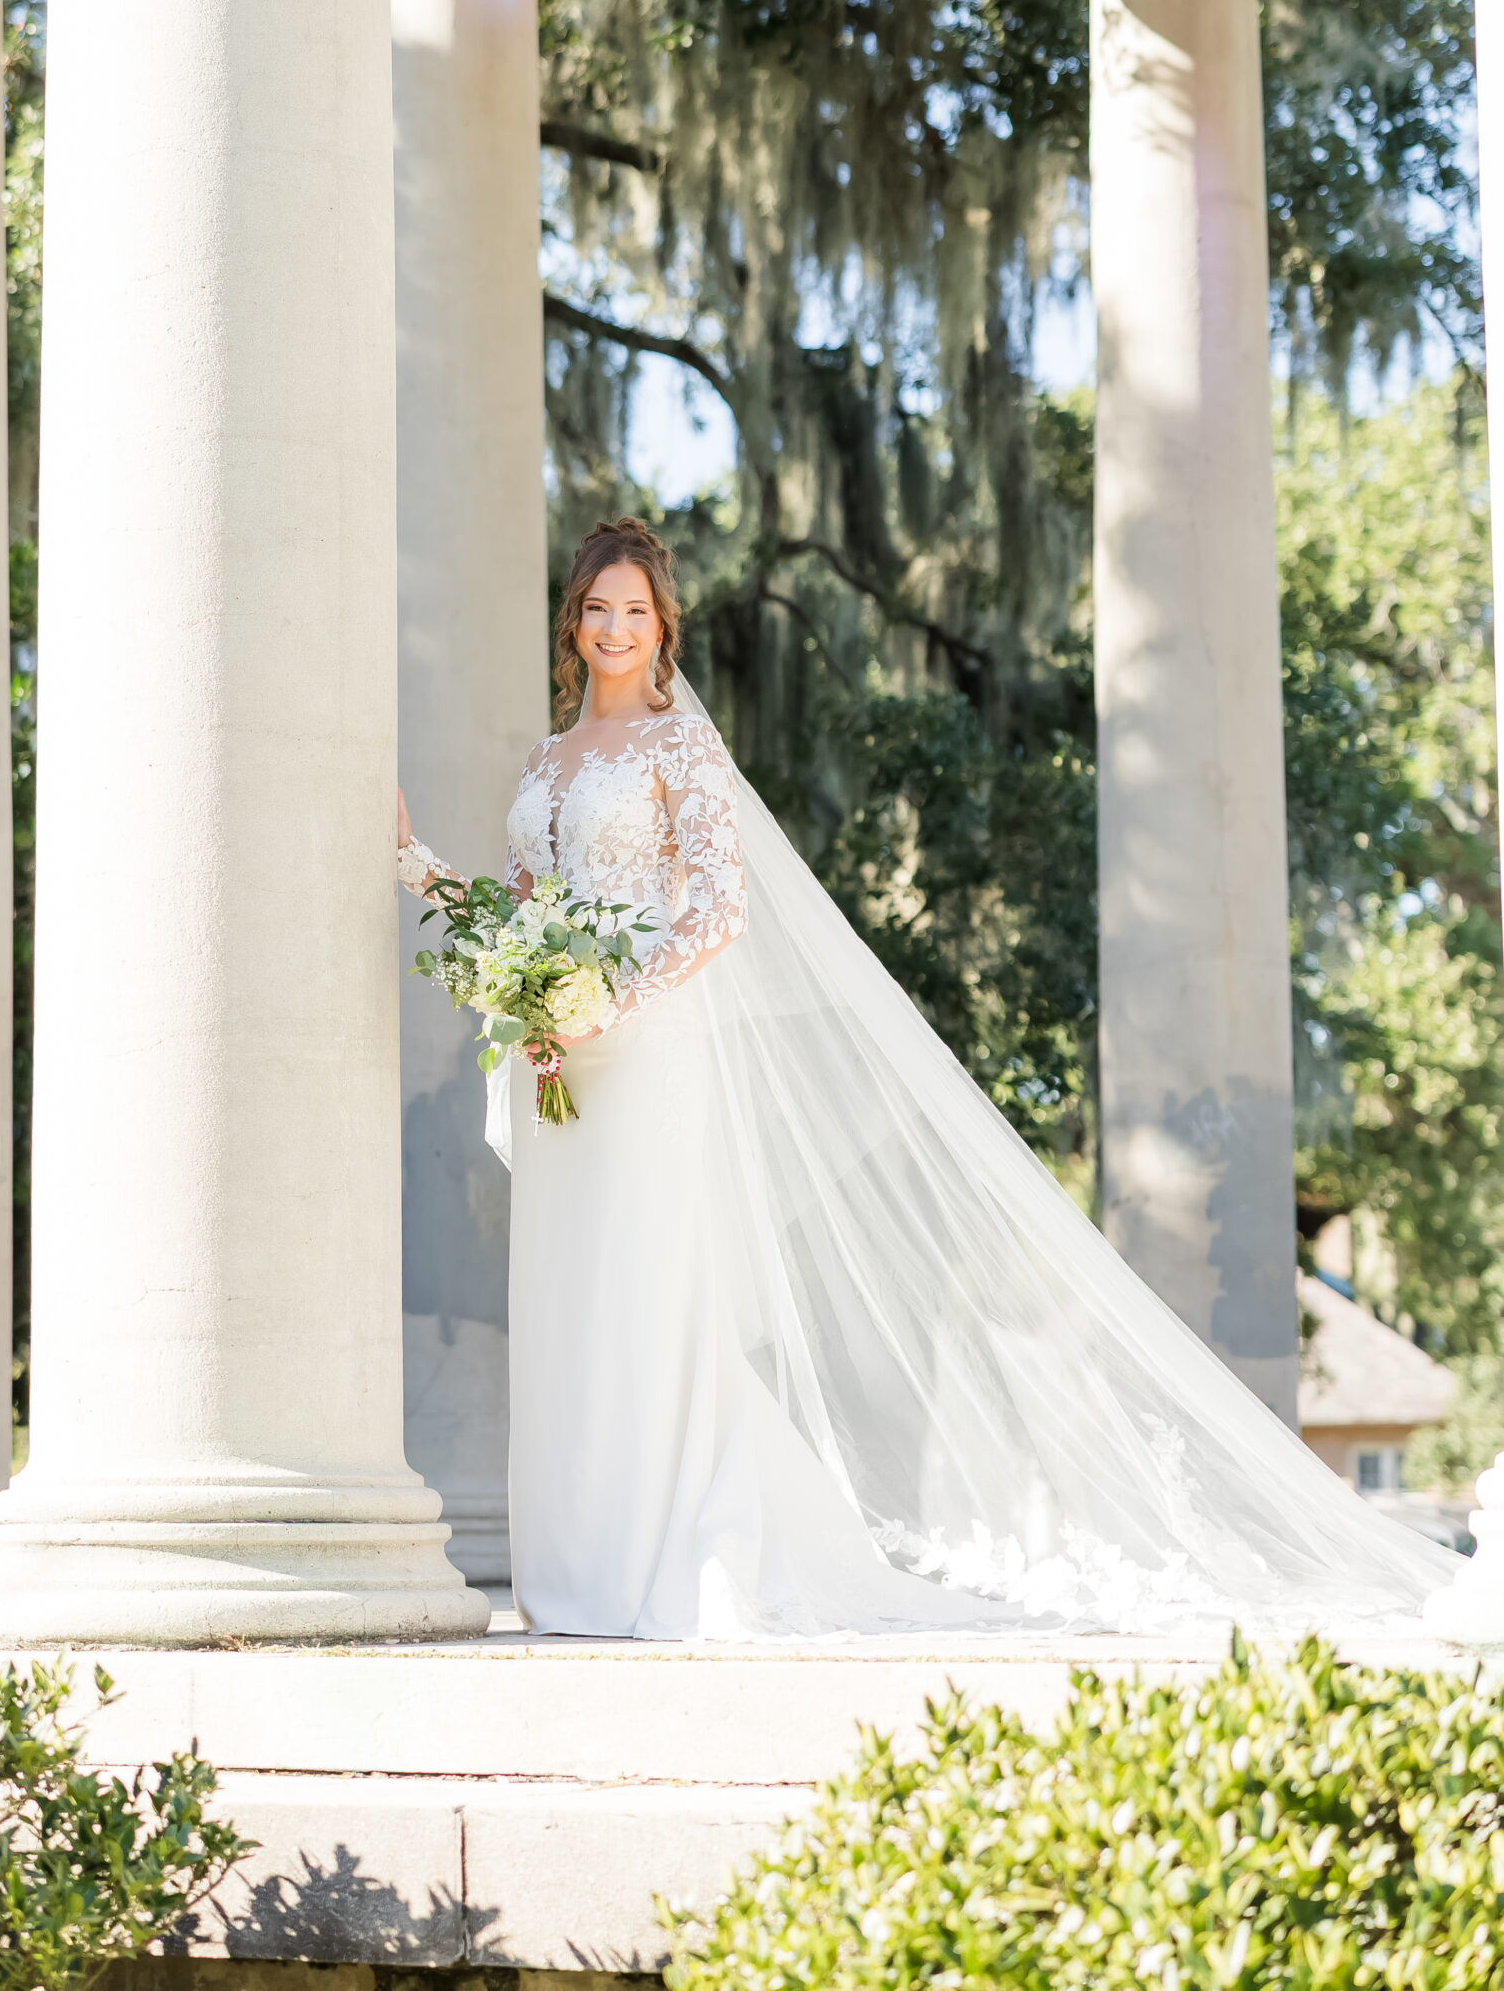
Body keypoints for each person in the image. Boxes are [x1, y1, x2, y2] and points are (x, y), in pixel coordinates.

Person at [398, 517, 1457, 1642]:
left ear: (662, 627)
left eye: (636, 610)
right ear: (574, 622)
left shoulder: (679, 748)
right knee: (571, 1305)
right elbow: (527, 912)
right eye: (597, 609)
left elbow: (716, 908)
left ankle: (665, 1563)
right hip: (561, 1066)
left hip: (649, 1053)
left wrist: (612, 1000)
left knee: (652, 1302)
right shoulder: (544, 760)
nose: (615, 628)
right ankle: (576, 1572)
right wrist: (429, 879)